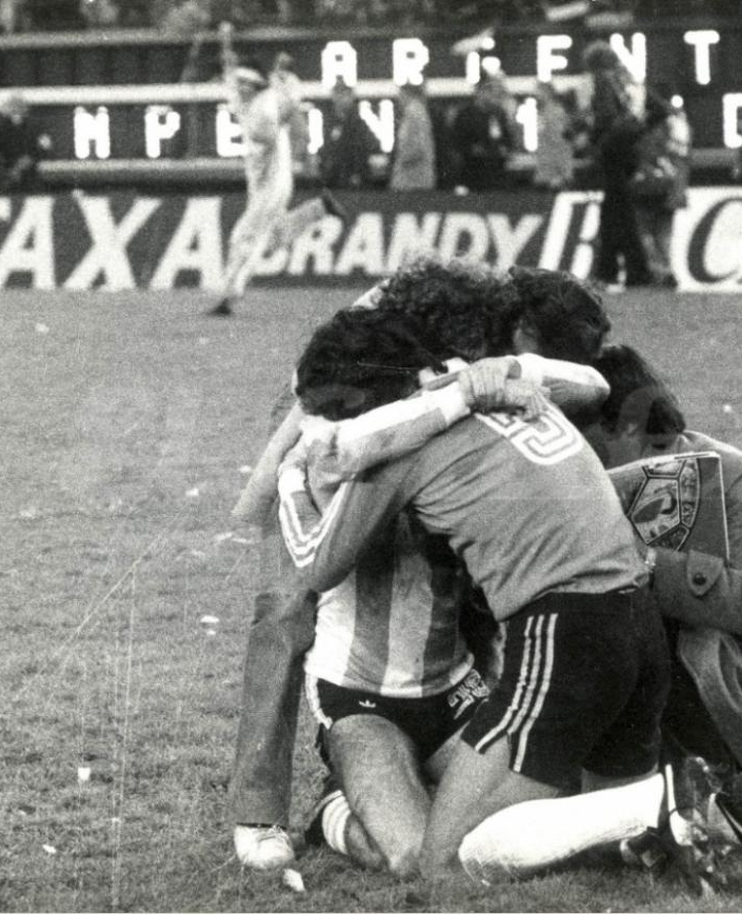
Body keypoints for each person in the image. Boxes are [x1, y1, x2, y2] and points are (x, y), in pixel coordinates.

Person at [224, 260, 613, 871]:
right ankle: (263, 809)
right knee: (288, 601)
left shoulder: (480, 338)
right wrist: (290, 472)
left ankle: (449, 746)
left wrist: (506, 375)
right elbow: (327, 408)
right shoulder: (373, 338)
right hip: (324, 416)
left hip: (443, 668)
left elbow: (587, 384)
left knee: (453, 554)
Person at [277, 307, 674, 880]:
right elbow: (595, 384)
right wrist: (505, 370)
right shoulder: (504, 391)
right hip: (637, 618)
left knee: (442, 863)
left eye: (339, 407)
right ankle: (671, 812)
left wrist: (290, 472)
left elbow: (318, 562)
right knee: (609, 845)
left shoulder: (398, 442)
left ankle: (666, 800)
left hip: (562, 630)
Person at [454, 345, 742, 886]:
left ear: (626, 427)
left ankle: (695, 800)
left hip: (711, 689)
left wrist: (640, 562)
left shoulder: (727, 474)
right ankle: (694, 814)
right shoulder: (554, 481)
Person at [209, 28, 341, 316]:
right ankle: (318, 209)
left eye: (247, 84)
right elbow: (230, 70)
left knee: (243, 237)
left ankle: (230, 295)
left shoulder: (264, 105)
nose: (241, 87)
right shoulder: (242, 97)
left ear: (257, 86)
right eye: (240, 83)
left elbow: (275, 125)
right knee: (272, 238)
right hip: (261, 183)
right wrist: (225, 40)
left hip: (273, 183)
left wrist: (282, 136)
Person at [585, 40, 651, 290]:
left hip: (613, 158)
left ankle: (622, 271)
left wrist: (596, 143)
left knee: (617, 216)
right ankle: (619, 270)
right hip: (626, 157)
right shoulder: (623, 84)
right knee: (617, 215)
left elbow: (606, 118)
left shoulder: (603, 82)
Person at [630, 91, 689, 287]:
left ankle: (659, 271)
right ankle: (667, 269)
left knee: (645, 232)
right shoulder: (679, 131)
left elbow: (642, 158)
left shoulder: (647, 135)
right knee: (664, 233)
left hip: (649, 189)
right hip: (671, 189)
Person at [450, 72, 514, 192]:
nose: (490, 94)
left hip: (496, 171)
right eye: (487, 90)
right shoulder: (465, 114)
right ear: (478, 92)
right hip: (473, 172)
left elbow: (507, 139)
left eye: (491, 90)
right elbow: (457, 142)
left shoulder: (498, 113)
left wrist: (504, 149)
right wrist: (472, 149)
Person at [319, 80, 375, 190]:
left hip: (353, 178)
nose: (341, 99)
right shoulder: (329, 122)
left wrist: (357, 173)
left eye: (344, 95)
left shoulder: (358, 123)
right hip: (332, 179)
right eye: (338, 94)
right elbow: (327, 148)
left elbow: (363, 150)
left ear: (351, 98)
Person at [388, 81, 436, 191]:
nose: (399, 100)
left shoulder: (414, 113)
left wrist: (401, 161)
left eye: (400, 95)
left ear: (407, 94)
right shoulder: (417, 112)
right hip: (416, 179)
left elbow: (417, 147)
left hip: (413, 180)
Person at [533, 80, 576, 191]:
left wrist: (559, 173)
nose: (536, 95)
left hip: (554, 172)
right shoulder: (543, 112)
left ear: (547, 93)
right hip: (545, 168)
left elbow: (560, 141)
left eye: (538, 92)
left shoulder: (555, 112)